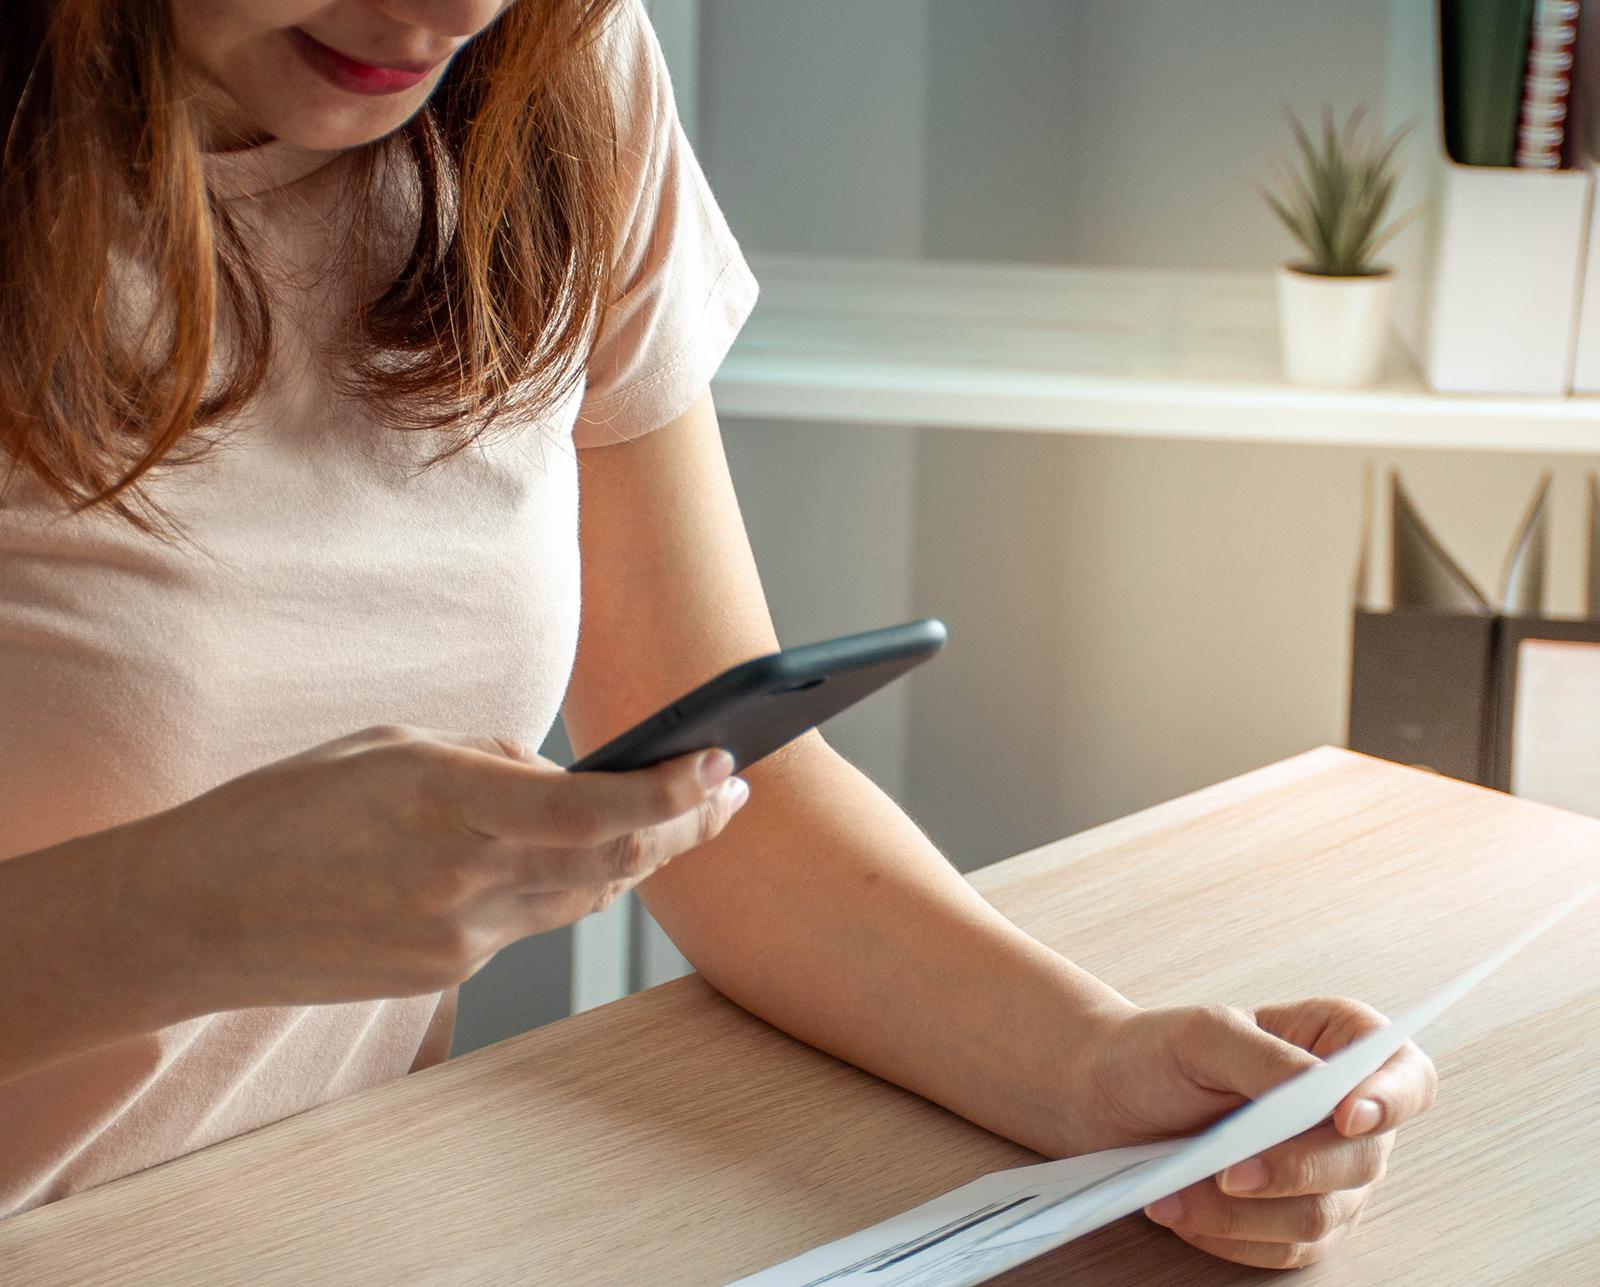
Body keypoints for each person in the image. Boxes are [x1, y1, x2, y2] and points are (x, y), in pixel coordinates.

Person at [0, 0, 1434, 1267]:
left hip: (318, 1227)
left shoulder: (552, 77)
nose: (450, 13)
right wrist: (182, 912)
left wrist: (1097, 1071)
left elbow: (719, 787)